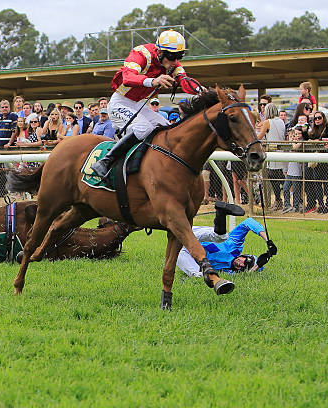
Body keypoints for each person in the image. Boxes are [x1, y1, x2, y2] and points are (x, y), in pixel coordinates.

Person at [91, 30, 203, 178]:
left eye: (179, 56)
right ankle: (106, 161)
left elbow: (184, 80)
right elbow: (127, 78)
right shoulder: (141, 54)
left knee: (166, 128)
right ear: (160, 51)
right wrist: (153, 81)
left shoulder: (172, 63)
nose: (175, 61)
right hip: (119, 103)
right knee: (144, 128)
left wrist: (202, 92)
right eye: (172, 56)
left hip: (138, 104)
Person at [177, 202, 277, 277]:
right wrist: (268, 241)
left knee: (200, 275)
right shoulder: (235, 246)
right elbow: (248, 222)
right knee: (221, 237)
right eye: (245, 262)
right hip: (193, 234)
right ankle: (221, 212)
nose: (241, 264)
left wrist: (258, 265)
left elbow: (246, 277)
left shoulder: (227, 271)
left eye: (244, 268)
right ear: (245, 256)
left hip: (183, 249)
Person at [257, 103, 286, 210]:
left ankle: (278, 200)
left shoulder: (268, 122)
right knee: (281, 176)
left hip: (273, 152)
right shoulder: (281, 121)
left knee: (273, 176)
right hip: (281, 152)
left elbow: (260, 136)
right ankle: (283, 199)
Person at [282, 126, 305, 213]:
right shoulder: (290, 144)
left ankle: (296, 206)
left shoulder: (301, 142)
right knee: (285, 188)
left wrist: (292, 142)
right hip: (290, 172)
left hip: (297, 172)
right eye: (294, 135)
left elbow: (295, 147)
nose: (296, 136)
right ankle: (287, 205)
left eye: (298, 134)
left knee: (296, 190)